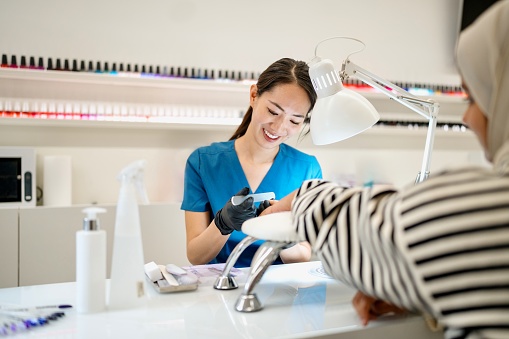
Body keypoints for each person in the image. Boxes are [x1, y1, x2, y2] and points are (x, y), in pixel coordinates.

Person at [262, 2, 509, 338]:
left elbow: (356, 224)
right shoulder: (207, 160)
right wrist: (427, 297)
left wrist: (300, 199)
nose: (467, 117)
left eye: (474, 99)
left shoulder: (486, 206)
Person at [181, 58, 322, 268]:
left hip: (280, 291)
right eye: (273, 112)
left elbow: (303, 256)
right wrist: (223, 224)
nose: (279, 127)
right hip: (219, 287)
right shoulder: (203, 162)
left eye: (295, 121)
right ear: (254, 95)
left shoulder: (307, 168)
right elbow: (195, 255)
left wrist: (281, 228)